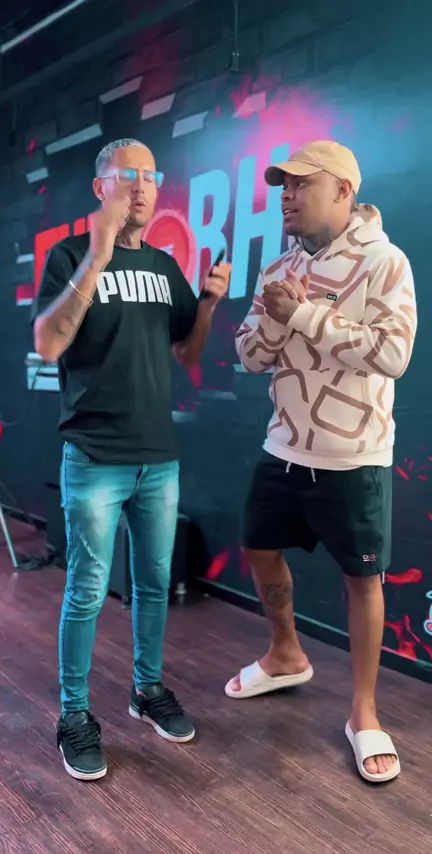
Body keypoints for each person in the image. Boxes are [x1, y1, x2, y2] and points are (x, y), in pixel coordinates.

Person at [32, 138, 230, 781]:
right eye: (128, 176)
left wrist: (207, 304)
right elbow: (48, 344)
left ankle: (147, 691)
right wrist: (97, 255)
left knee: (152, 583)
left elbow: (187, 354)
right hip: (94, 455)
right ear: (102, 188)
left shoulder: (164, 265)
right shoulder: (70, 256)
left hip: (157, 458)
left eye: (150, 176)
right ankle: (73, 716)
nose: (142, 186)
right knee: (88, 589)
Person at [229, 141, 416, 784]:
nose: (286, 195)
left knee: (363, 579)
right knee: (258, 548)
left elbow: (393, 354)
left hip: (355, 455)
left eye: (301, 184)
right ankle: (285, 653)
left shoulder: (386, 261)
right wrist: (279, 318)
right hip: (283, 444)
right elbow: (249, 356)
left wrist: (305, 314)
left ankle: (364, 713)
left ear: (342, 190)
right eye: (282, 185)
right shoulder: (279, 267)